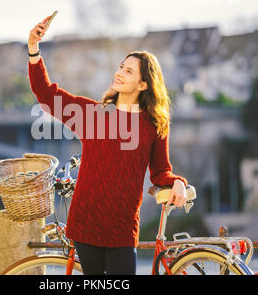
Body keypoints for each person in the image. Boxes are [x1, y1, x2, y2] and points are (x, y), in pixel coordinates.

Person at [27, 14, 188, 275]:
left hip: (123, 226)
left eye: (128, 71)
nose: (120, 73)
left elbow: (160, 171)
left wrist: (176, 181)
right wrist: (34, 50)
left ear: (143, 84)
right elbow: (46, 94)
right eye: (121, 67)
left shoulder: (155, 125)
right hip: (86, 221)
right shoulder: (92, 114)